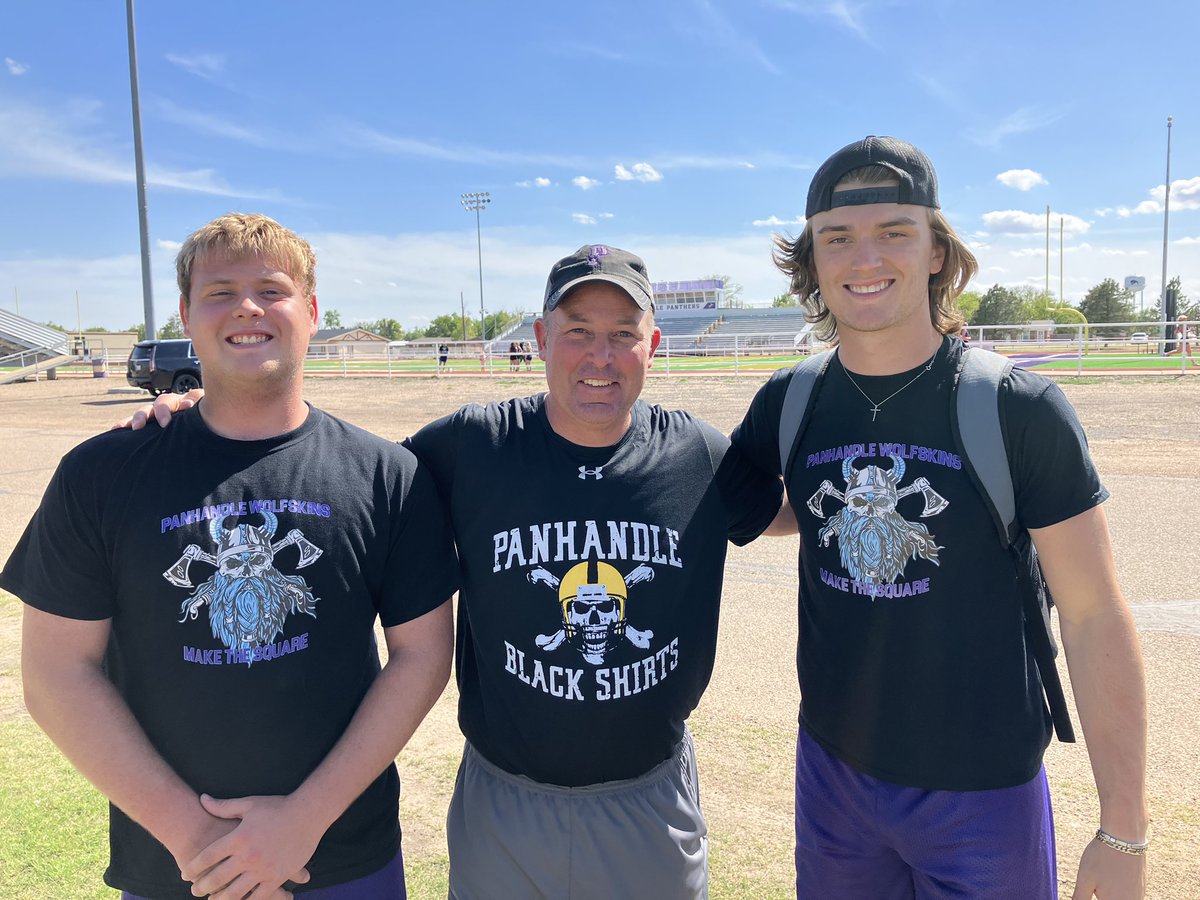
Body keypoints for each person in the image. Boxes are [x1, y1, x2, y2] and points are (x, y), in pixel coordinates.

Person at [117, 242, 788, 899]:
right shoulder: (474, 445)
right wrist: (201, 417)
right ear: (540, 338)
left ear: (654, 343)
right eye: (577, 331)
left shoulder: (698, 455)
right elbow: (345, 482)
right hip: (504, 802)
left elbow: (786, 514)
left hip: (646, 802)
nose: (600, 357)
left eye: (623, 334)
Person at [729, 137, 1148, 898]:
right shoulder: (788, 402)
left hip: (982, 793)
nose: (865, 258)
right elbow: (756, 504)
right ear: (813, 262)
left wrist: (1123, 826)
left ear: (935, 251)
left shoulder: (1017, 409)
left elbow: (1092, 617)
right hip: (833, 777)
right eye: (838, 237)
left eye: (895, 232)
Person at [2, 213, 458, 900]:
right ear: (185, 315)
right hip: (175, 868)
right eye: (220, 292)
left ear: (310, 311)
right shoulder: (100, 475)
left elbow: (423, 656)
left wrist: (301, 822)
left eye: (272, 289)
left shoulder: (387, 475)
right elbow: (56, 675)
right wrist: (198, 840)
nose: (248, 306)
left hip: (343, 856)